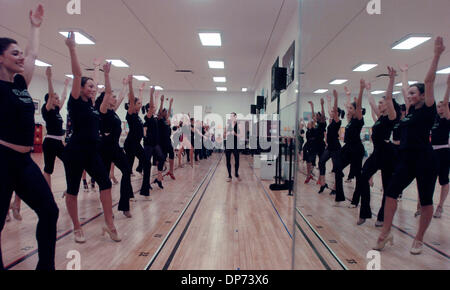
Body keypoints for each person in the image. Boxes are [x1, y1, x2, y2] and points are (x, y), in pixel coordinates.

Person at [0, 4, 59, 270]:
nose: (21, 57)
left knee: (49, 210)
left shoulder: (20, 83)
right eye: (15, 54)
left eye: (20, 53)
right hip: (1, 160)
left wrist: (35, 27)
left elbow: (33, 53)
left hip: (24, 163)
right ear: (0, 58)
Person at [374, 37, 445, 255]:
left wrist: (436, 55)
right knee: (391, 193)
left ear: (423, 96)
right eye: (410, 94)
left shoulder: (429, 108)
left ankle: (419, 238)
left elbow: (429, 81)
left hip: (424, 160)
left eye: (414, 93)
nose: (410, 95)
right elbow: (405, 88)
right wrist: (400, 75)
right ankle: (385, 232)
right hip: (405, 159)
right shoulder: (409, 110)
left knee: (425, 201)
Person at [63, 32, 119, 243]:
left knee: (106, 183)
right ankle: (77, 227)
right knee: (73, 189)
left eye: (94, 87)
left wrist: (105, 74)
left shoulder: (96, 107)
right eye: (90, 86)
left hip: (92, 152)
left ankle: (109, 223)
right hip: (75, 152)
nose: (93, 89)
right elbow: (78, 75)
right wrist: (72, 48)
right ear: (82, 89)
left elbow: (108, 93)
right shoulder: (76, 102)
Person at [355, 68, 400, 226]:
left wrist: (391, 79)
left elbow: (388, 98)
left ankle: (382, 217)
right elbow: (372, 102)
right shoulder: (380, 118)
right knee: (362, 178)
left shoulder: (392, 117)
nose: (380, 104)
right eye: (380, 103)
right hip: (377, 153)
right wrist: (368, 90)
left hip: (388, 155)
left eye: (383, 102)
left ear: (389, 105)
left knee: (387, 187)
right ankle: (365, 212)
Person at [96, 65, 134, 219]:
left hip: (115, 148)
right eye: (111, 96)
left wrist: (126, 84)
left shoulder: (113, 111)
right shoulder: (103, 111)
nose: (114, 97)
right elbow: (108, 94)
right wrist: (106, 74)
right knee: (105, 181)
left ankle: (124, 205)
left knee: (126, 171)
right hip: (104, 149)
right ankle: (107, 210)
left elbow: (122, 97)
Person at [334, 79, 365, 207]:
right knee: (337, 168)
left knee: (358, 175)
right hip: (347, 148)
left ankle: (355, 200)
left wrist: (361, 89)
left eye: (351, 108)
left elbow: (357, 107)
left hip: (357, 149)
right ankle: (339, 196)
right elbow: (349, 106)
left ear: (356, 110)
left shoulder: (358, 119)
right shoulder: (350, 120)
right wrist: (347, 95)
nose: (348, 109)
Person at [42, 67, 69, 189]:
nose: (58, 100)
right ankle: (48, 192)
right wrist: (49, 78)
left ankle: (70, 187)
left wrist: (65, 85)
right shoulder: (47, 109)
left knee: (69, 161)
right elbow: (51, 94)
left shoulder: (57, 110)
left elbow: (64, 97)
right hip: (50, 142)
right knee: (49, 169)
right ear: (50, 100)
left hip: (58, 142)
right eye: (55, 98)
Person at [429, 74, 450, 218]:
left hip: (444, 152)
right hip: (432, 152)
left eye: (442, 105)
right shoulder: (434, 119)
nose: (440, 108)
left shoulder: (446, 118)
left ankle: (440, 206)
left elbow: (446, 102)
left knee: (443, 180)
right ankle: (425, 206)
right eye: (438, 106)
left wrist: (448, 86)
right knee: (428, 179)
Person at [141, 88, 165, 196]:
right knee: (147, 165)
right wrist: (151, 94)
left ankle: (158, 178)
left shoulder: (155, 117)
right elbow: (151, 107)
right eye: (152, 108)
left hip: (155, 144)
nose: (154, 109)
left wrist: (160, 101)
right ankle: (146, 186)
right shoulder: (148, 117)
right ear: (148, 109)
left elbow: (158, 110)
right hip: (148, 145)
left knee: (161, 157)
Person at [318, 90, 343, 194]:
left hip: (336, 148)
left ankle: (336, 187)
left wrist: (336, 98)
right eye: (332, 112)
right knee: (321, 161)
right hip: (329, 147)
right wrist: (327, 102)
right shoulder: (331, 121)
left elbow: (334, 111)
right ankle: (323, 183)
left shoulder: (337, 122)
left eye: (334, 112)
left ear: (337, 113)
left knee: (337, 169)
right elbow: (329, 111)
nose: (331, 112)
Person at [225, 113, 241, 182]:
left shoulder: (239, 125)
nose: (231, 117)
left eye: (232, 116)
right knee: (228, 160)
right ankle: (229, 176)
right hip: (228, 144)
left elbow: (241, 136)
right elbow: (224, 135)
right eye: (230, 116)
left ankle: (236, 173)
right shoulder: (227, 125)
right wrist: (226, 134)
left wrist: (234, 133)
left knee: (237, 160)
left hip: (236, 145)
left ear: (235, 117)